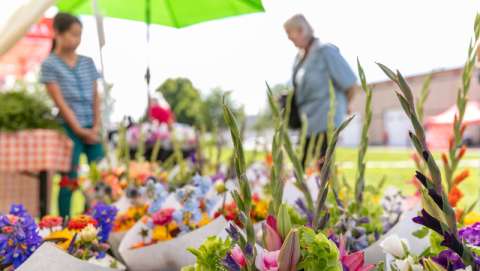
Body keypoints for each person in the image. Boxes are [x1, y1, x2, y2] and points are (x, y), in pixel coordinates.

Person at [40, 13, 103, 218]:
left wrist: (95, 126)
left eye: (79, 35)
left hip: (92, 126)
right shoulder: (50, 65)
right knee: (69, 178)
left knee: (100, 176)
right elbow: (61, 103)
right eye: (72, 34)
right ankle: (65, 223)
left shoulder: (87, 62)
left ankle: (94, 219)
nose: (76, 40)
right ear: (57, 33)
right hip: (69, 128)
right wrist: (79, 130)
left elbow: (95, 96)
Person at [284, 14, 357, 169]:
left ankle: (325, 192)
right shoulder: (299, 58)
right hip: (306, 122)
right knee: (300, 166)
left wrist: (344, 106)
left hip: (325, 120)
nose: (289, 39)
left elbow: (350, 83)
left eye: (290, 34)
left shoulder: (325, 51)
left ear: (301, 30)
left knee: (323, 167)